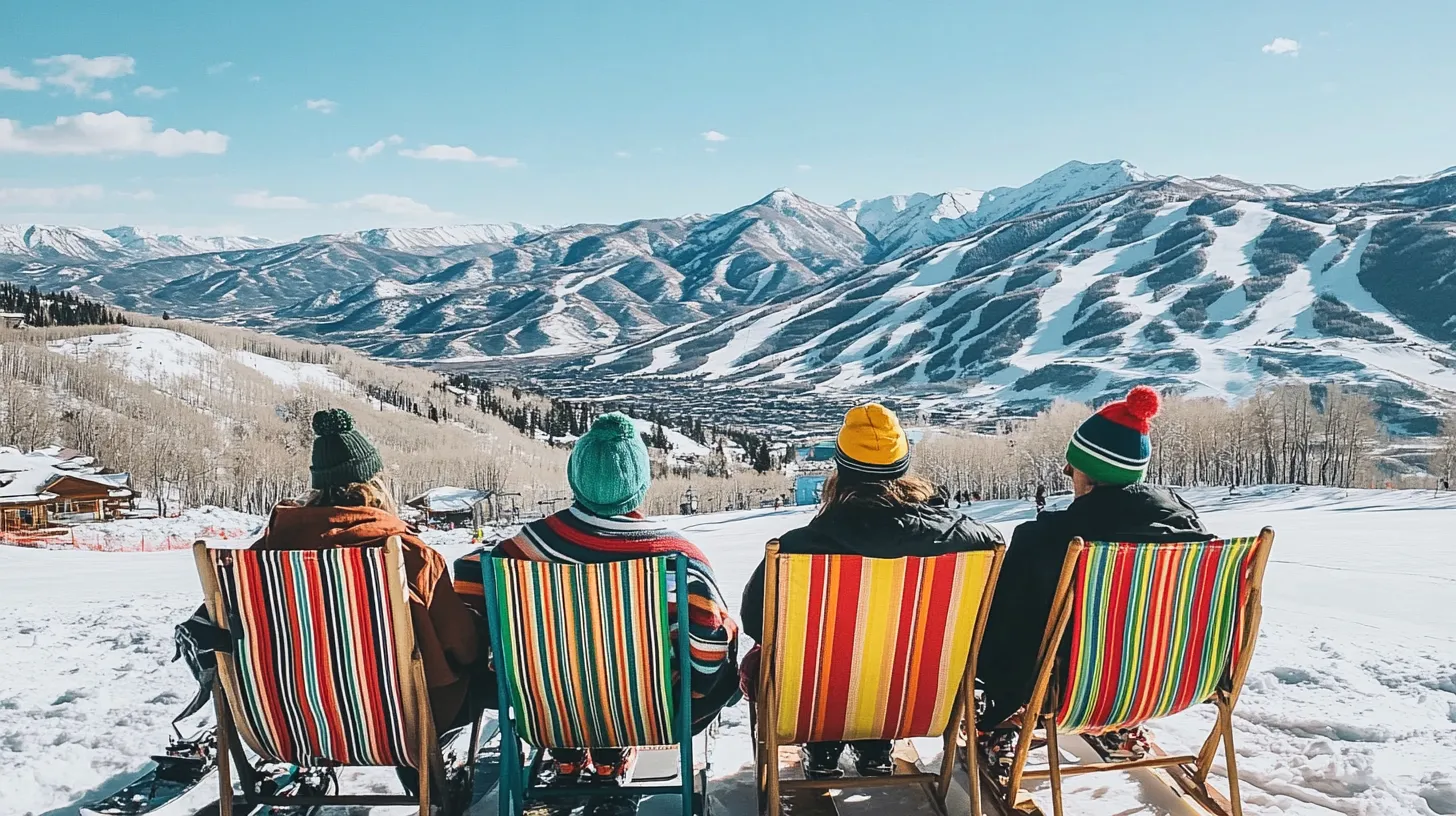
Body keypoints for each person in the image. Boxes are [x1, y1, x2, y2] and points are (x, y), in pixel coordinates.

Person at [739, 403, 1003, 779]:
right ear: (903, 466)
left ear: (841, 470)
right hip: (918, 703)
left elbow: (756, 621)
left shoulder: (798, 549)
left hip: (813, 704)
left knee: (783, 652)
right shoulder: (972, 542)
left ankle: (823, 741)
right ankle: (876, 743)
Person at [484, 413, 741, 784]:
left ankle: (566, 753)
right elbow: (707, 653)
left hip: (542, 711)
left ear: (576, 476)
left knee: (561, 661)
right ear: (640, 482)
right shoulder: (676, 558)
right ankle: (611, 754)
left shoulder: (514, 554)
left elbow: (486, 635)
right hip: (652, 715)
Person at [250, 410, 491, 795]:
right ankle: (427, 768)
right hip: (403, 721)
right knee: (477, 671)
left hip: (289, 719)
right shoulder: (405, 553)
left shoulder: (259, 559)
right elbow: (461, 647)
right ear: (376, 483)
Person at [976, 386, 1211, 763]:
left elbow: (1003, 632)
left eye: (1072, 464)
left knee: (1007, 622)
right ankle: (1120, 721)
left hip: (1070, 689)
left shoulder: (1047, 538)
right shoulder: (1192, 536)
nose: (1068, 472)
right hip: (1171, 679)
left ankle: (1005, 724)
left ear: (1087, 473)